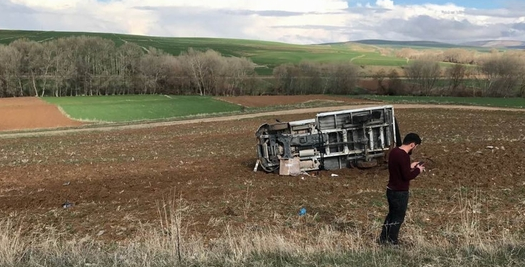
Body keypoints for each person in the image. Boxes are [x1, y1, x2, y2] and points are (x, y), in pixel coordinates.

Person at [379, 133, 425, 245]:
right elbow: (406, 176)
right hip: (400, 192)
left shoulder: (394, 152)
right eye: (416, 146)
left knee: (391, 215)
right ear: (412, 144)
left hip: (390, 190)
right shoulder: (404, 156)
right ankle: (392, 241)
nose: (415, 148)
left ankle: (383, 238)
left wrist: (410, 166)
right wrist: (418, 170)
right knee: (398, 217)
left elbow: (398, 170)